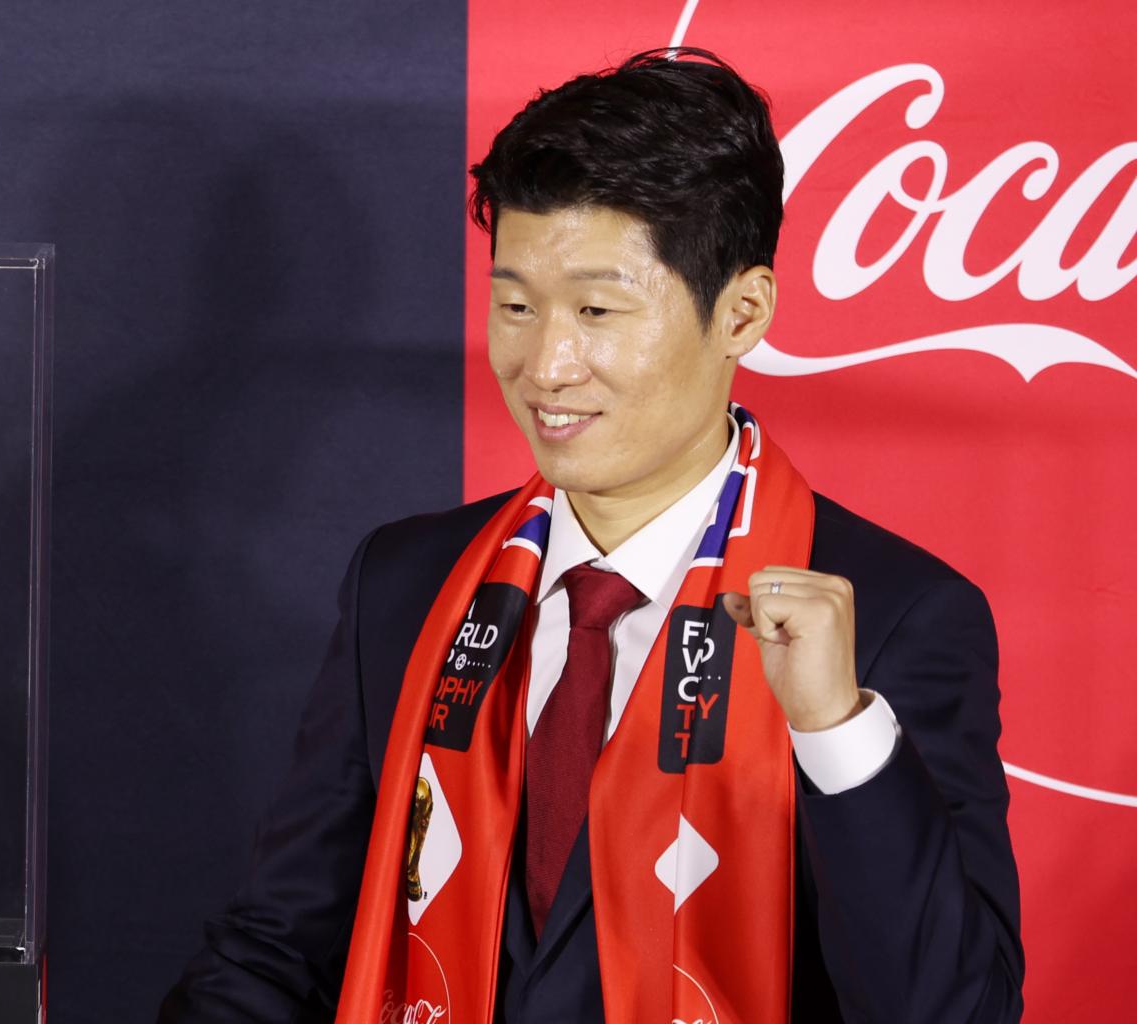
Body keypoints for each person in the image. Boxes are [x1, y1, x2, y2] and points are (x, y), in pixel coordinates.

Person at [160, 48, 1024, 1023]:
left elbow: (953, 1010)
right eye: (516, 306)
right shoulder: (407, 583)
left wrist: (836, 730)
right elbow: (277, 949)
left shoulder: (892, 615)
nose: (545, 365)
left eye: (597, 310)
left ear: (742, 313)